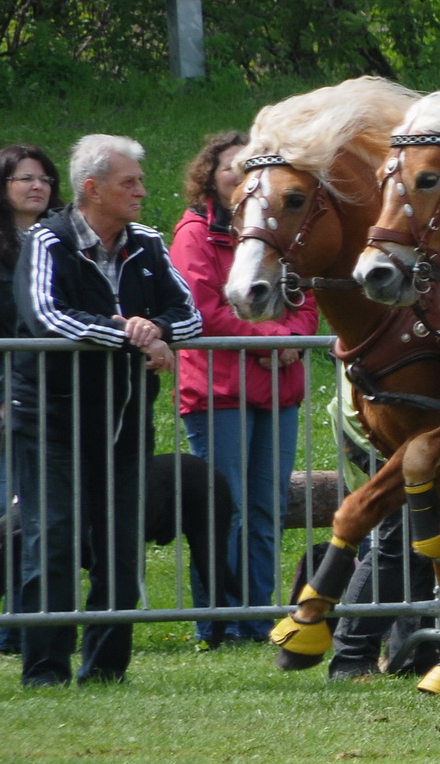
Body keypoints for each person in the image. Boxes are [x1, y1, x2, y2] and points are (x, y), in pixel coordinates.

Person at [11, 134, 201, 686]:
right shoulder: (47, 240)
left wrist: (156, 329)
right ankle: (44, 671)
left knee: (121, 547)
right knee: (54, 541)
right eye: (130, 182)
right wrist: (129, 335)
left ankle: (106, 670)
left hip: (123, 423)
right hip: (50, 423)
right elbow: (48, 318)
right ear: (92, 189)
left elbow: (188, 316)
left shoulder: (146, 242)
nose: (143, 190)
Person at [169, 133, 320, 646]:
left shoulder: (278, 228)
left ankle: (257, 618)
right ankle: (219, 622)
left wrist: (297, 338)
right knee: (223, 511)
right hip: (219, 393)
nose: (242, 175)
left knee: (266, 510)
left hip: (278, 391)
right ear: (211, 174)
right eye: (232, 167)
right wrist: (274, 340)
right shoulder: (194, 234)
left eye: (251, 168)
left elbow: (304, 293)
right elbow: (203, 311)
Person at [0, 144, 65, 654]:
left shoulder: (58, 243)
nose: (36, 186)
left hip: (45, 403)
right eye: (24, 178)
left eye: (44, 178)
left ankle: (26, 627)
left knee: (31, 521)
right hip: (7, 397)